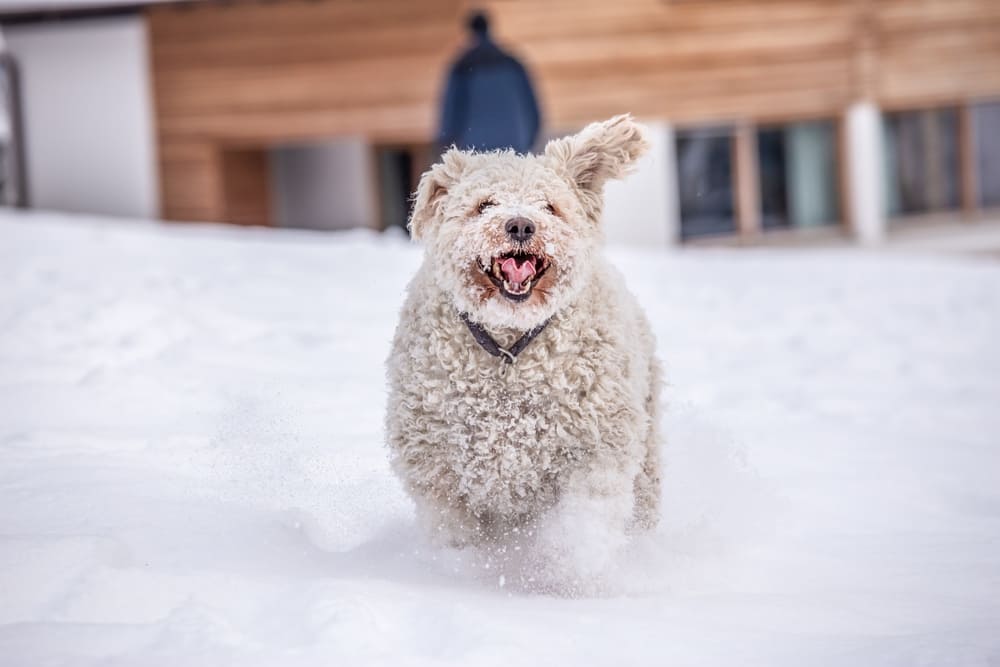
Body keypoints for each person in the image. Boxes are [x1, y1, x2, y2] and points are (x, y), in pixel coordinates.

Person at [437, 11, 541, 154]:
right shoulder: (512, 62)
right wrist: (530, 138)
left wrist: (446, 141)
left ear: (470, 32)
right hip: (515, 143)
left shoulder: (462, 66)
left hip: (476, 147)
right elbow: (532, 107)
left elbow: (450, 111)